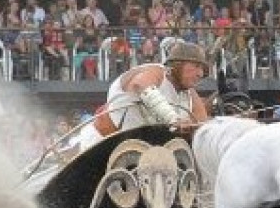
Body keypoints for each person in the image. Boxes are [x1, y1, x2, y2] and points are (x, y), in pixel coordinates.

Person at [76, 40, 211, 151]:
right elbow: (139, 85)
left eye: (202, 69)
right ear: (178, 64)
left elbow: (203, 128)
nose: (200, 74)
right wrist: (174, 119)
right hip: (98, 146)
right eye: (196, 66)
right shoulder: (157, 72)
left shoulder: (189, 94)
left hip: (145, 156)